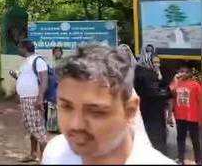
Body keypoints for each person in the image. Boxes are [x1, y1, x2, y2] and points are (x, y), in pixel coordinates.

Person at [42, 45, 174, 165]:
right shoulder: (55, 153)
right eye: (66, 107)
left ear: (130, 111)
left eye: (95, 112)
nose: (76, 124)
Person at [9, 38, 48, 162]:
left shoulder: (38, 60)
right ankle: (33, 154)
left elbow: (44, 80)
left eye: (19, 46)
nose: (18, 49)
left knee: (38, 129)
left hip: (34, 99)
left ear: (24, 48)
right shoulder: (26, 62)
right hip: (26, 99)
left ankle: (45, 159)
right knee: (31, 128)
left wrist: (40, 98)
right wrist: (17, 76)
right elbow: (27, 79)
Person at [134, 50, 171, 155]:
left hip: (156, 112)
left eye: (158, 62)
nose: (157, 64)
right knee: (154, 137)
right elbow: (152, 92)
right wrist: (163, 91)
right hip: (149, 112)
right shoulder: (143, 73)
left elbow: (165, 89)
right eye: (154, 62)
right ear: (147, 60)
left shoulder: (154, 72)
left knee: (158, 135)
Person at [169, 65, 201, 165]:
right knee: (180, 137)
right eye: (180, 71)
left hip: (193, 116)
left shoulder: (195, 85)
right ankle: (180, 158)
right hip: (180, 116)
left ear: (189, 74)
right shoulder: (176, 84)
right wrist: (175, 79)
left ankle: (198, 160)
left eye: (184, 71)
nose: (182, 73)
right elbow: (171, 94)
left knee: (195, 138)